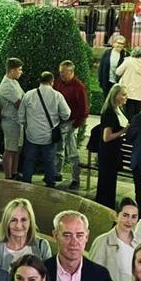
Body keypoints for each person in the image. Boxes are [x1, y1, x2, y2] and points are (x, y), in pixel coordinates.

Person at [18, 71, 71, 187]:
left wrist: (27, 125)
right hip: (49, 136)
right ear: (52, 82)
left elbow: (21, 115)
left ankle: (26, 182)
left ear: (40, 81)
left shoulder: (29, 94)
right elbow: (66, 114)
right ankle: (50, 182)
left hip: (32, 135)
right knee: (49, 161)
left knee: (29, 160)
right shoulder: (57, 95)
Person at [0, 198, 53, 271]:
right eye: (13, 220)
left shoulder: (42, 246)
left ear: (30, 222)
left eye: (23, 220)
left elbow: (48, 278)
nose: (18, 225)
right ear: (6, 223)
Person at [54, 60, 90, 190]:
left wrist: (75, 125)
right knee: (59, 150)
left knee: (73, 153)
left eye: (63, 72)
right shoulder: (58, 82)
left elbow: (84, 109)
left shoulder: (78, 87)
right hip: (59, 121)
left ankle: (75, 179)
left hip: (71, 122)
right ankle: (57, 173)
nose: (61, 74)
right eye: (60, 72)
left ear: (71, 72)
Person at [90, 197, 140, 281]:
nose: (129, 221)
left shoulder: (140, 243)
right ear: (116, 216)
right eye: (125, 215)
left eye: (134, 217)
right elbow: (92, 276)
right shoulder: (102, 242)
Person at [95, 84, 130, 207]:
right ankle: (103, 204)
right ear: (115, 96)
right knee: (106, 180)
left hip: (114, 151)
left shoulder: (119, 110)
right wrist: (123, 131)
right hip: (108, 153)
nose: (126, 97)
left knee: (110, 180)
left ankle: (108, 203)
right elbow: (107, 137)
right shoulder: (110, 112)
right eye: (124, 94)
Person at [0, 58, 25, 179]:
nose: (21, 72)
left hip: (18, 121)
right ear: (12, 70)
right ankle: (8, 176)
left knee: (17, 148)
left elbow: (24, 96)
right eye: (19, 69)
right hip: (10, 121)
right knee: (9, 149)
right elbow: (19, 102)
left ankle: (14, 172)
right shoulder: (6, 86)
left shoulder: (15, 82)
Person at [115, 48, 141, 116]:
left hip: (128, 92)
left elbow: (118, 72)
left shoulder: (129, 61)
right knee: (137, 114)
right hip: (140, 93)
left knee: (127, 114)